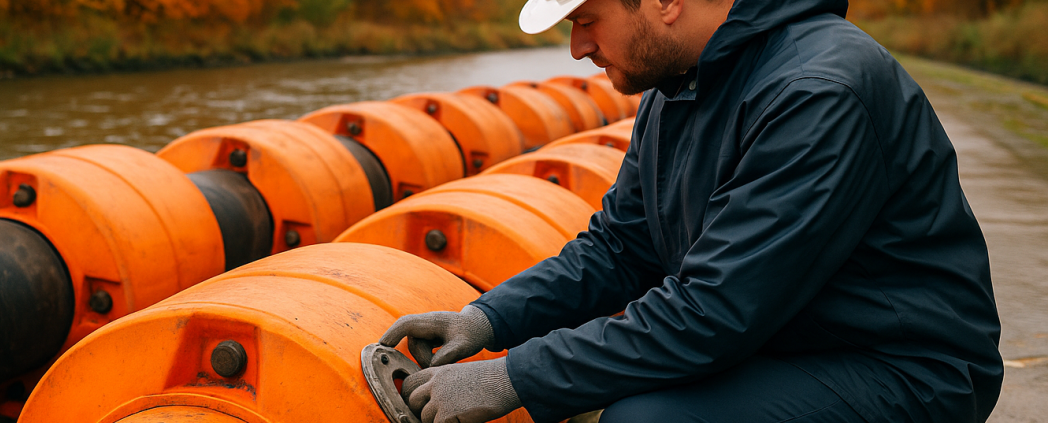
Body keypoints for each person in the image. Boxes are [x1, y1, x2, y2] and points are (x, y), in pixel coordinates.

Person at [378, 0, 1005, 421]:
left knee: (647, 419)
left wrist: (511, 379)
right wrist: (488, 319)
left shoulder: (817, 92)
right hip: (792, 334)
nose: (576, 48)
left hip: (905, 367)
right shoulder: (680, 83)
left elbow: (713, 312)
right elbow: (620, 248)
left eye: (587, 18)